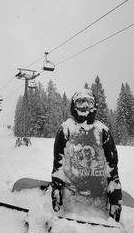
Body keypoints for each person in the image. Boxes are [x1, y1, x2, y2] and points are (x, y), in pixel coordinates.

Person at [51, 87, 122, 222]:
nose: (84, 105)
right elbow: (58, 164)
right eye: (80, 102)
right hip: (71, 198)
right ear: (74, 105)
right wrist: (56, 189)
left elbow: (112, 167)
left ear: (94, 105)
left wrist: (115, 198)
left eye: (88, 102)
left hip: (99, 199)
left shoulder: (103, 131)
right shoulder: (65, 129)